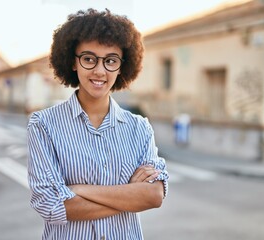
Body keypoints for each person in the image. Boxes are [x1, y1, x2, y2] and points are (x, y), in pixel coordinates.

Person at [27, 8, 169, 240]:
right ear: (73, 62)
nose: (100, 71)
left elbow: (154, 196)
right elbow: (51, 205)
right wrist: (131, 197)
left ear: (122, 66)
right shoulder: (44, 125)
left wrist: (78, 191)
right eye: (89, 58)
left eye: (111, 60)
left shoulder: (139, 128)